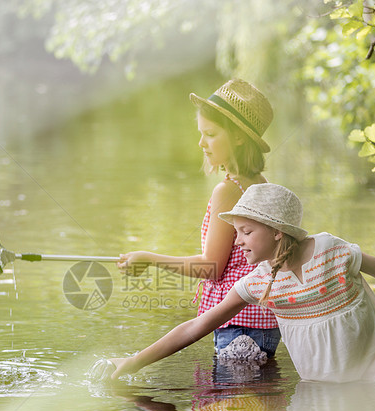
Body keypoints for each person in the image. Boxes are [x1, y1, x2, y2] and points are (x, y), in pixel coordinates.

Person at [105, 183, 375, 383]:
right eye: (236, 233)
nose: (238, 241)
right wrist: (136, 361)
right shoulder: (259, 282)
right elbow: (198, 325)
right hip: (323, 382)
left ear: (277, 233)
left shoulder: (330, 251)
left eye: (246, 232)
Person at [117, 79, 281, 358]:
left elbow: (211, 267)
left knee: (231, 402)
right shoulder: (259, 184)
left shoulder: (229, 191)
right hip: (260, 324)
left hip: (239, 328)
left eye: (211, 134)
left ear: (239, 137)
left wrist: (149, 259)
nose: (201, 143)